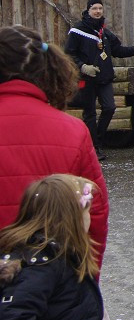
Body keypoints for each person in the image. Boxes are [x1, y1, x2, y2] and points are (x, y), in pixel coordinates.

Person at [0, 27, 108, 266]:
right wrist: (85, 281)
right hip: (51, 276)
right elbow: (95, 211)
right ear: (45, 69)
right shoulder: (73, 130)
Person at [0, 174, 104, 320]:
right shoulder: (43, 264)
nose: (89, 217)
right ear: (73, 218)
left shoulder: (60, 253)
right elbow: (13, 319)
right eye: (86, 211)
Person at [64, 0, 134, 156]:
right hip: (86, 79)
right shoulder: (77, 31)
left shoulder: (104, 32)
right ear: (88, 11)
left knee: (109, 107)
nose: (98, 11)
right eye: (94, 8)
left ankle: (98, 140)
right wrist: (83, 67)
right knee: (90, 114)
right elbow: (68, 54)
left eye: (100, 8)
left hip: (104, 77)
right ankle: (93, 148)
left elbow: (117, 50)